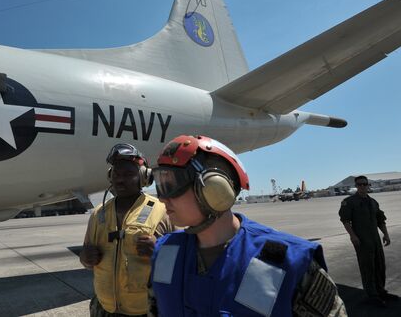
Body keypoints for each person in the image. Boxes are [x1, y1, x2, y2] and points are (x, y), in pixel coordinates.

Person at [149, 135, 346, 316]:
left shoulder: (289, 260)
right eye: (159, 185)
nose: (162, 197)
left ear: (214, 188)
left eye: (170, 185)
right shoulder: (163, 252)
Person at [80, 143, 174, 317]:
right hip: (104, 308)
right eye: (116, 173)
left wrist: (159, 251)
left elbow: (182, 261)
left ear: (143, 177)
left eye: (128, 174)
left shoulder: (162, 211)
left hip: (145, 310)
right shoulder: (98, 214)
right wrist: (85, 258)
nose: (120, 179)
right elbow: (86, 260)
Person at [339, 175, 398, 307]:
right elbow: (345, 220)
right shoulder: (349, 202)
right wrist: (352, 236)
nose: (362, 186)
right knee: (367, 267)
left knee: (380, 265)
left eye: (364, 184)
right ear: (356, 186)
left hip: (375, 239)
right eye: (359, 184)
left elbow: (380, 220)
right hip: (362, 240)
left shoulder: (373, 202)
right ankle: (372, 295)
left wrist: (386, 235)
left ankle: (381, 291)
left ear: (368, 185)